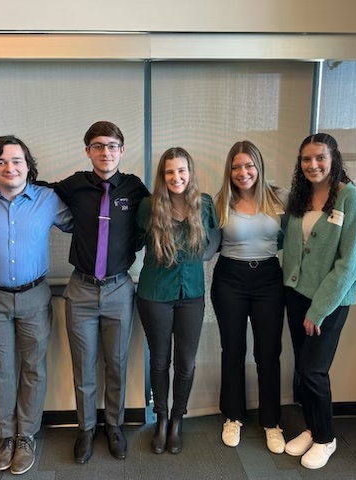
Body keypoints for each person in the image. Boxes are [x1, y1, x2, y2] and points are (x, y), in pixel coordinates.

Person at [0, 135, 73, 474]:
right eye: (0, 162)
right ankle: (5, 436)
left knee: (33, 368)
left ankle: (26, 436)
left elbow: (79, 224)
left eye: (16, 161)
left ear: (28, 166)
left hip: (35, 295)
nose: (9, 167)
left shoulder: (48, 199)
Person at [50, 121, 149, 463]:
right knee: (84, 366)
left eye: (112, 146)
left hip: (120, 288)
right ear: (87, 151)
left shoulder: (135, 188)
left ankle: (114, 426)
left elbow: (157, 216)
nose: (105, 152)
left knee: (117, 364)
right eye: (98, 146)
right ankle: (86, 428)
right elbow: (33, 190)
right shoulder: (74, 186)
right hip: (80, 290)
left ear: (121, 151)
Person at [282, 133, 356, 469]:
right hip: (295, 295)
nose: (313, 165)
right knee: (302, 370)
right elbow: (291, 247)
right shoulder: (300, 197)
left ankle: (326, 438)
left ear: (334, 159)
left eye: (320, 157)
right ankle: (311, 427)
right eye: (306, 159)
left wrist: (318, 310)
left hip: (329, 302)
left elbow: (350, 264)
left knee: (313, 370)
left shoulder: (351, 200)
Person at [135, 147, 219, 455]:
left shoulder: (205, 204)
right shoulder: (147, 206)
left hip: (192, 295)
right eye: (169, 172)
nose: (176, 177)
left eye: (181, 170)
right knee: (159, 360)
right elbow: (130, 239)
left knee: (186, 362)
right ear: (162, 176)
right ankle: (159, 418)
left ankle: (176, 420)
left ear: (190, 172)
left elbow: (215, 239)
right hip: (154, 294)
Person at [211, 140, 288, 453]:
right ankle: (233, 416)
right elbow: (210, 244)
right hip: (230, 278)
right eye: (236, 167)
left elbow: (292, 238)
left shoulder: (280, 197)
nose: (243, 173)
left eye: (248, 166)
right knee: (233, 349)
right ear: (229, 171)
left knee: (268, 352)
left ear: (258, 166)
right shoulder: (221, 202)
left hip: (269, 278)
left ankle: (271, 422)